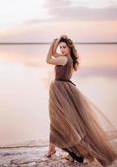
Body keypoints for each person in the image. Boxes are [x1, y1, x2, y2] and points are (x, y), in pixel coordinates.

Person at [45, 35, 117, 166]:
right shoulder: (68, 58)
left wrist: (52, 43)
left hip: (61, 90)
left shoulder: (63, 59)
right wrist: (56, 44)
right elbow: (54, 55)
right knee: (64, 120)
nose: (61, 49)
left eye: (64, 47)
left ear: (69, 47)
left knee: (60, 120)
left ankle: (71, 152)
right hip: (65, 89)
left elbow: (48, 59)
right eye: (61, 47)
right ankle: (67, 151)